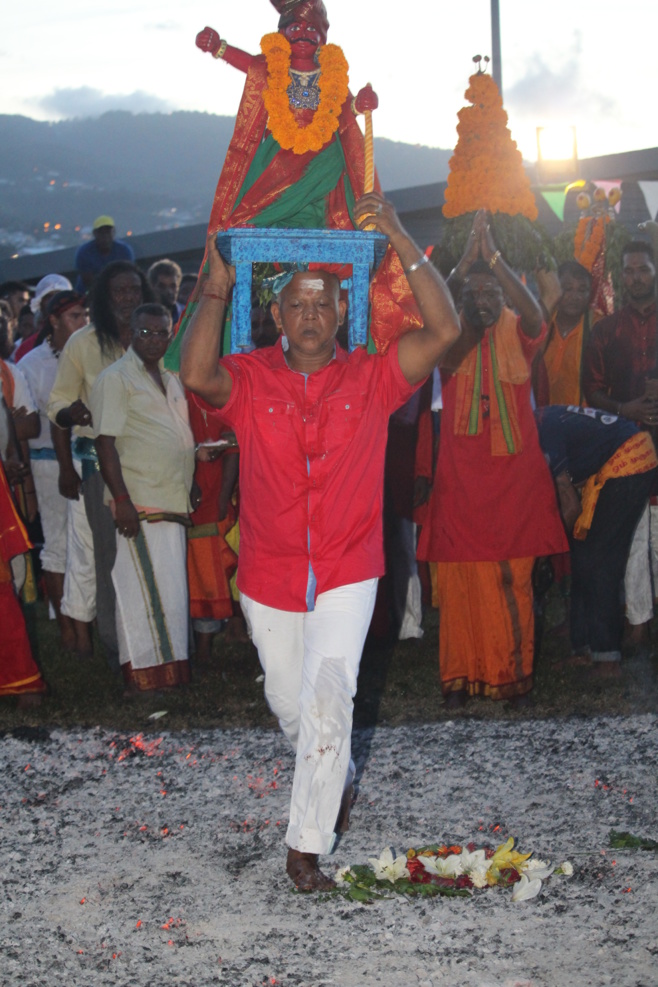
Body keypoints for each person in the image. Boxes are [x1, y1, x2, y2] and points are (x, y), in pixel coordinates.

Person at [180, 191, 461, 891]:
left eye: (322, 302)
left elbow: (446, 330)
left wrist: (398, 232)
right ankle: (335, 768)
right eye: (297, 303)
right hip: (270, 573)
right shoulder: (247, 380)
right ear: (276, 314)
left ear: (342, 311)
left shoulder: (372, 377)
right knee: (289, 701)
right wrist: (215, 283)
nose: (310, 314)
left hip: (349, 567)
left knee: (331, 695)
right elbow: (194, 374)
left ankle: (305, 844)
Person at [174, 0, 418, 364]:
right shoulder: (271, 69)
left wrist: (362, 103)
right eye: (295, 28)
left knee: (332, 174)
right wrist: (218, 47)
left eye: (312, 29)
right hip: (277, 164)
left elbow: (346, 113)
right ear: (281, 35)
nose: (303, 33)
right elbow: (248, 64)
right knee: (247, 223)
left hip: (324, 170)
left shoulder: (334, 78)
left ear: (323, 38)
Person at [417, 211, 567, 708]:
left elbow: (537, 315)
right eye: (472, 296)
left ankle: (512, 676)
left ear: (504, 295)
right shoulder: (449, 335)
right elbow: (428, 307)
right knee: (460, 583)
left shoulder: (519, 331)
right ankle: (460, 677)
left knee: (513, 580)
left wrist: (496, 261)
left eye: (491, 295)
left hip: (513, 484)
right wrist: (462, 264)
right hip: (460, 484)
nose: (482, 303)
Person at [48, 261, 152, 671]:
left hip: (153, 465)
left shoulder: (158, 338)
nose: (128, 298)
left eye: (134, 290)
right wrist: (70, 413)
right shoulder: (83, 343)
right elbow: (55, 403)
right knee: (110, 559)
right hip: (100, 466)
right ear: (104, 299)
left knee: (154, 556)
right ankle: (118, 650)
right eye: (119, 292)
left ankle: (158, 647)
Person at [91, 304, 196, 695]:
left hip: (171, 498)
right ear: (130, 334)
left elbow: (175, 436)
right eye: (145, 333)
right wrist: (122, 500)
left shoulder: (170, 379)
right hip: (140, 502)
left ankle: (169, 672)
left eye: (161, 333)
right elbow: (105, 445)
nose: (154, 340)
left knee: (170, 592)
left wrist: (191, 474)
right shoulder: (115, 379)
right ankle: (144, 677)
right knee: (143, 591)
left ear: (171, 335)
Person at [536, 405, 658, 677]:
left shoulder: (545, 431)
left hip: (629, 459)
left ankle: (607, 659)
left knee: (598, 559)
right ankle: (584, 649)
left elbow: (569, 505)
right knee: (584, 554)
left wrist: (545, 553)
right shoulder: (545, 418)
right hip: (614, 462)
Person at [582, 240, 658, 653]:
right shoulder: (606, 330)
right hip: (626, 447)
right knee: (632, 536)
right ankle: (638, 622)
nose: (635, 277)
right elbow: (591, 391)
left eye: (643, 269)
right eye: (628, 271)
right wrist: (625, 407)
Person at [19, 291, 95, 656]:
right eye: (75, 316)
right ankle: (67, 628)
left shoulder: (90, 349)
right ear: (53, 321)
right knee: (57, 544)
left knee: (85, 544)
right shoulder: (32, 364)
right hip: (49, 464)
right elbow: (33, 423)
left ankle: (85, 620)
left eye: (85, 316)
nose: (83, 323)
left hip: (87, 458)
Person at [534, 260, 602, 406]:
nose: (575, 297)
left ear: (591, 293)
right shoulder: (543, 321)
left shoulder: (598, 327)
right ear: (557, 290)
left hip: (582, 422)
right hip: (541, 419)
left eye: (582, 290)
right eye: (568, 289)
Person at [74, 216, 135, 294]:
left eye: (108, 232)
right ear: (95, 234)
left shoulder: (125, 250)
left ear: (113, 232)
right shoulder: (84, 252)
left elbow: (129, 275)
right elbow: (87, 280)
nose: (105, 236)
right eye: (101, 232)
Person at [147, 259, 183, 324]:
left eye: (173, 286)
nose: (169, 291)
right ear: (152, 287)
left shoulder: (188, 315)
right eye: (162, 286)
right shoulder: (143, 317)